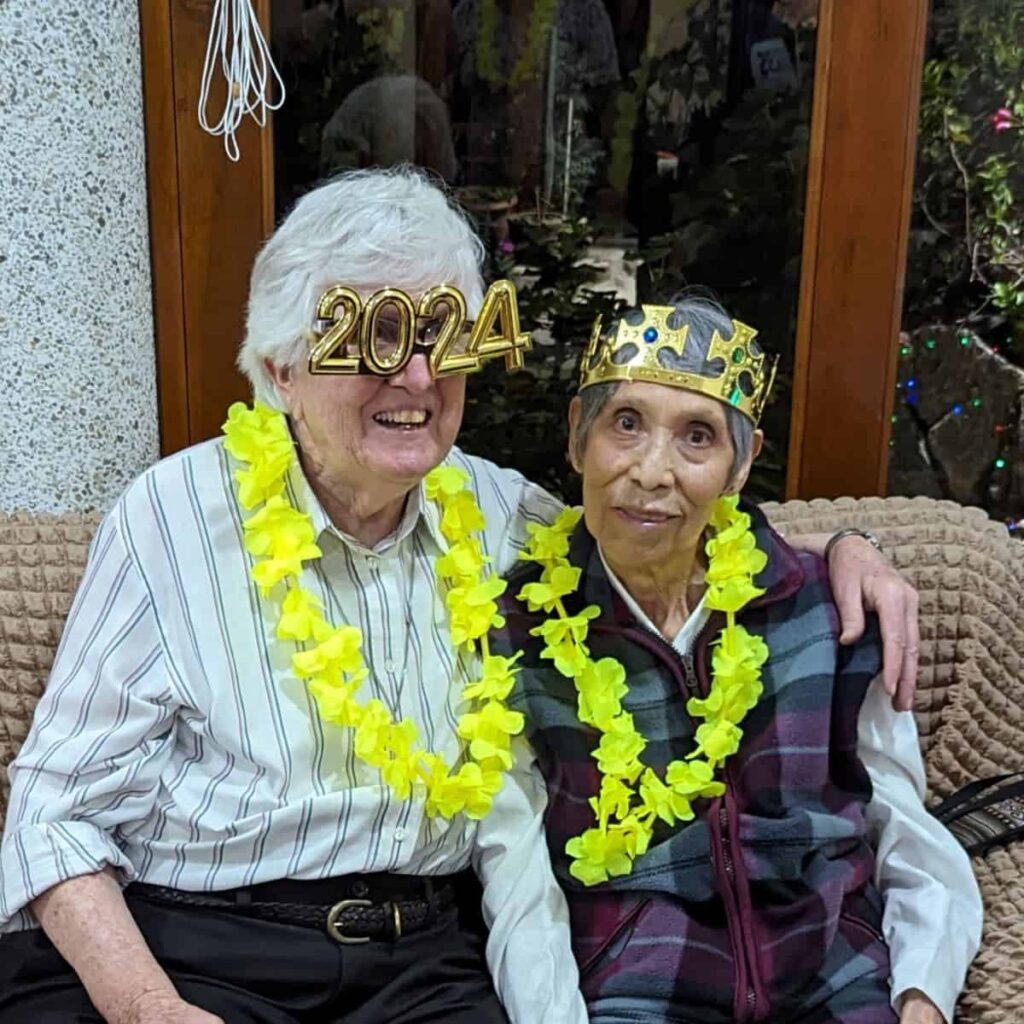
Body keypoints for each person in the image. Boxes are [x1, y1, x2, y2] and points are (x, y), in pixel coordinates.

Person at [0, 168, 918, 1024]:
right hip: (194, 942)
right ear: (280, 370)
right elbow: (54, 811)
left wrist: (845, 551)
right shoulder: (172, 516)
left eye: (444, 335)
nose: (416, 377)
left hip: (423, 961)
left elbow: (660, 521)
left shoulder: (500, 512)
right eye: (372, 336)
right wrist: (148, 1008)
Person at [493, 296, 982, 1024]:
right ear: (577, 437)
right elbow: (520, 888)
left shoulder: (830, 611)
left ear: (739, 465)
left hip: (836, 984)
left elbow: (908, 835)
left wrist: (921, 998)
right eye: (625, 424)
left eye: (697, 437)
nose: (652, 472)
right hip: (636, 995)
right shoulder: (518, 628)